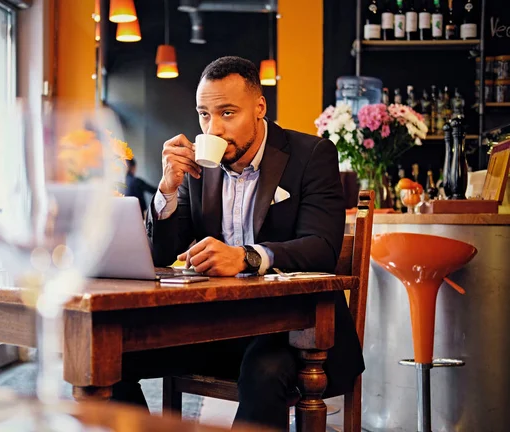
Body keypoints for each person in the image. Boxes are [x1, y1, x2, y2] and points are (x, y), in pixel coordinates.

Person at [112, 56, 364, 430]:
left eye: (227, 113)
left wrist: (246, 257)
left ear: (260, 107)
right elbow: (161, 255)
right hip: (219, 327)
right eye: (204, 115)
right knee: (108, 361)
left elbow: (321, 249)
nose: (213, 129)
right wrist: (167, 191)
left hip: (297, 331)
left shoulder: (311, 155)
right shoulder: (198, 168)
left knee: (263, 372)